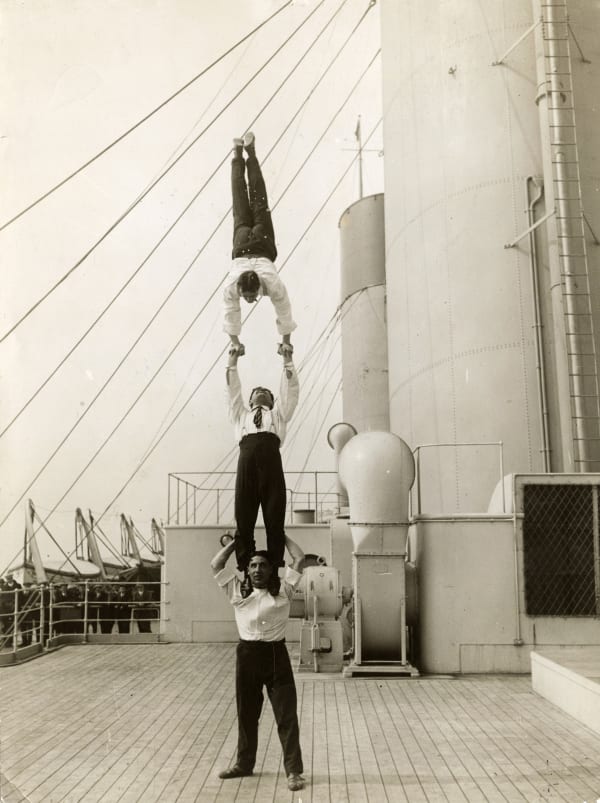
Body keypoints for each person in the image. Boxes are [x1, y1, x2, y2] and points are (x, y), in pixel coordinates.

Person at [212, 534, 305, 792]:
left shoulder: (284, 591)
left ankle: (294, 771)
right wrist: (235, 542)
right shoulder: (237, 591)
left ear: (271, 569)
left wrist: (280, 533)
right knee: (247, 714)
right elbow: (216, 565)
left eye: (263, 565)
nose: (257, 570)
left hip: (276, 656)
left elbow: (299, 558)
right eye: (252, 565)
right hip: (247, 656)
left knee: (286, 716)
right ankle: (244, 764)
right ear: (247, 569)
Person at [226, 343, 299, 591]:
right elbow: (232, 391)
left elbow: (289, 392)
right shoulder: (241, 416)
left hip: (271, 465)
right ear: (249, 400)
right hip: (246, 465)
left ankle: (276, 572)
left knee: (274, 519)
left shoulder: (278, 415)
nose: (260, 393)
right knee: (244, 521)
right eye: (256, 391)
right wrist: (233, 361)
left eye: (265, 392)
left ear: (271, 400)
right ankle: (246, 572)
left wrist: (287, 360)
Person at [224, 131, 296, 357]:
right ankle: (239, 152)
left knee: (254, 197)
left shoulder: (261, 283)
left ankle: (244, 151)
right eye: (248, 297)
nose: (246, 300)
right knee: (244, 200)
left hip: (260, 244)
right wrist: (285, 342)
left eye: (247, 297)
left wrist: (236, 343)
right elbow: (283, 311)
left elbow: (231, 314)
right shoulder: (266, 283)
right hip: (244, 242)